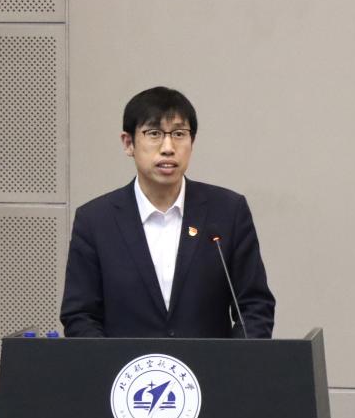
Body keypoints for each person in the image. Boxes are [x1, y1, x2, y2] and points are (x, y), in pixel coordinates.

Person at [60, 87, 275, 338]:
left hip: (210, 364)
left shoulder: (228, 211)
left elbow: (255, 307)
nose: (168, 147)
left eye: (179, 134)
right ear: (128, 143)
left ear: (192, 142)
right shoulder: (95, 221)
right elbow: (80, 316)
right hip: (126, 364)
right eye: (154, 133)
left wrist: (234, 360)